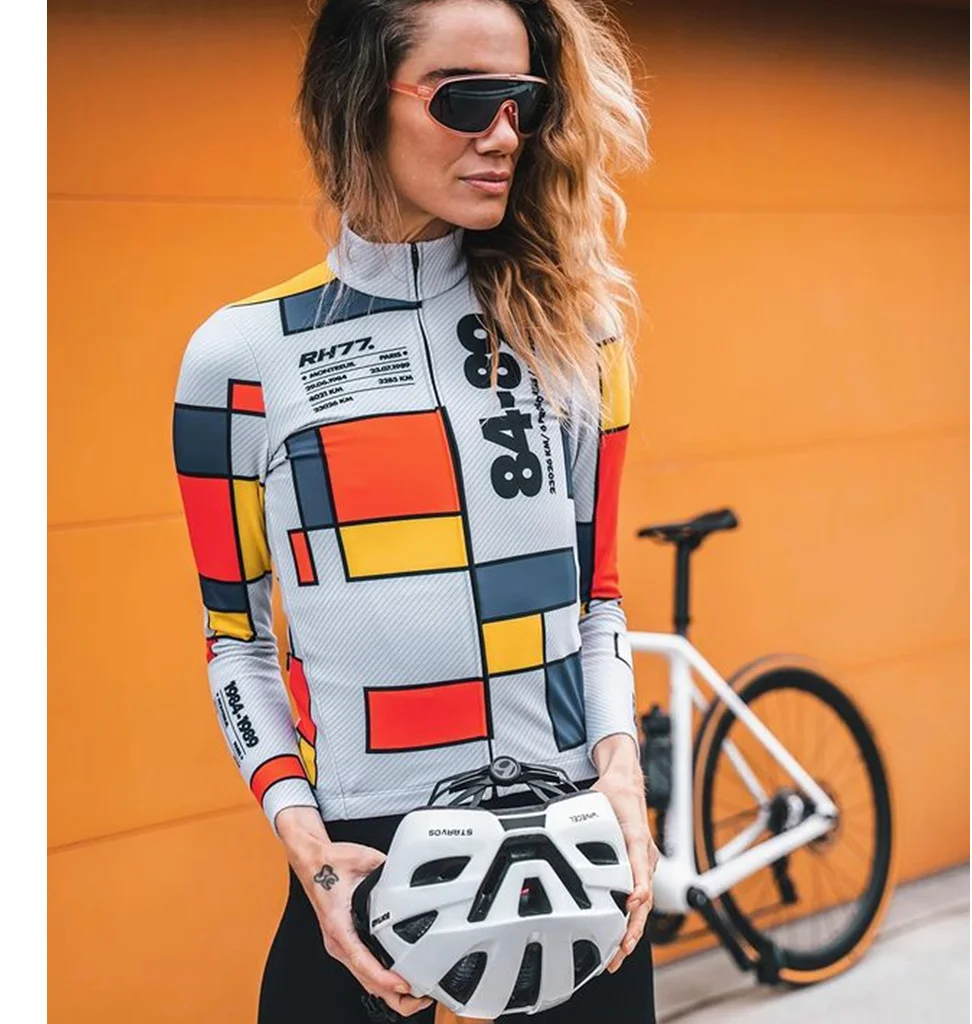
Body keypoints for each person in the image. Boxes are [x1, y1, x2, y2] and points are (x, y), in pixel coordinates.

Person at [170, 0, 655, 1020]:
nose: (504, 135)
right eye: (465, 99)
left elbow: (597, 600)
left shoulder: (580, 332)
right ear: (359, 99)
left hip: (572, 838)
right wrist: (305, 840)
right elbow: (234, 639)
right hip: (363, 854)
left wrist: (622, 776)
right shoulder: (242, 358)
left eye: (522, 101)